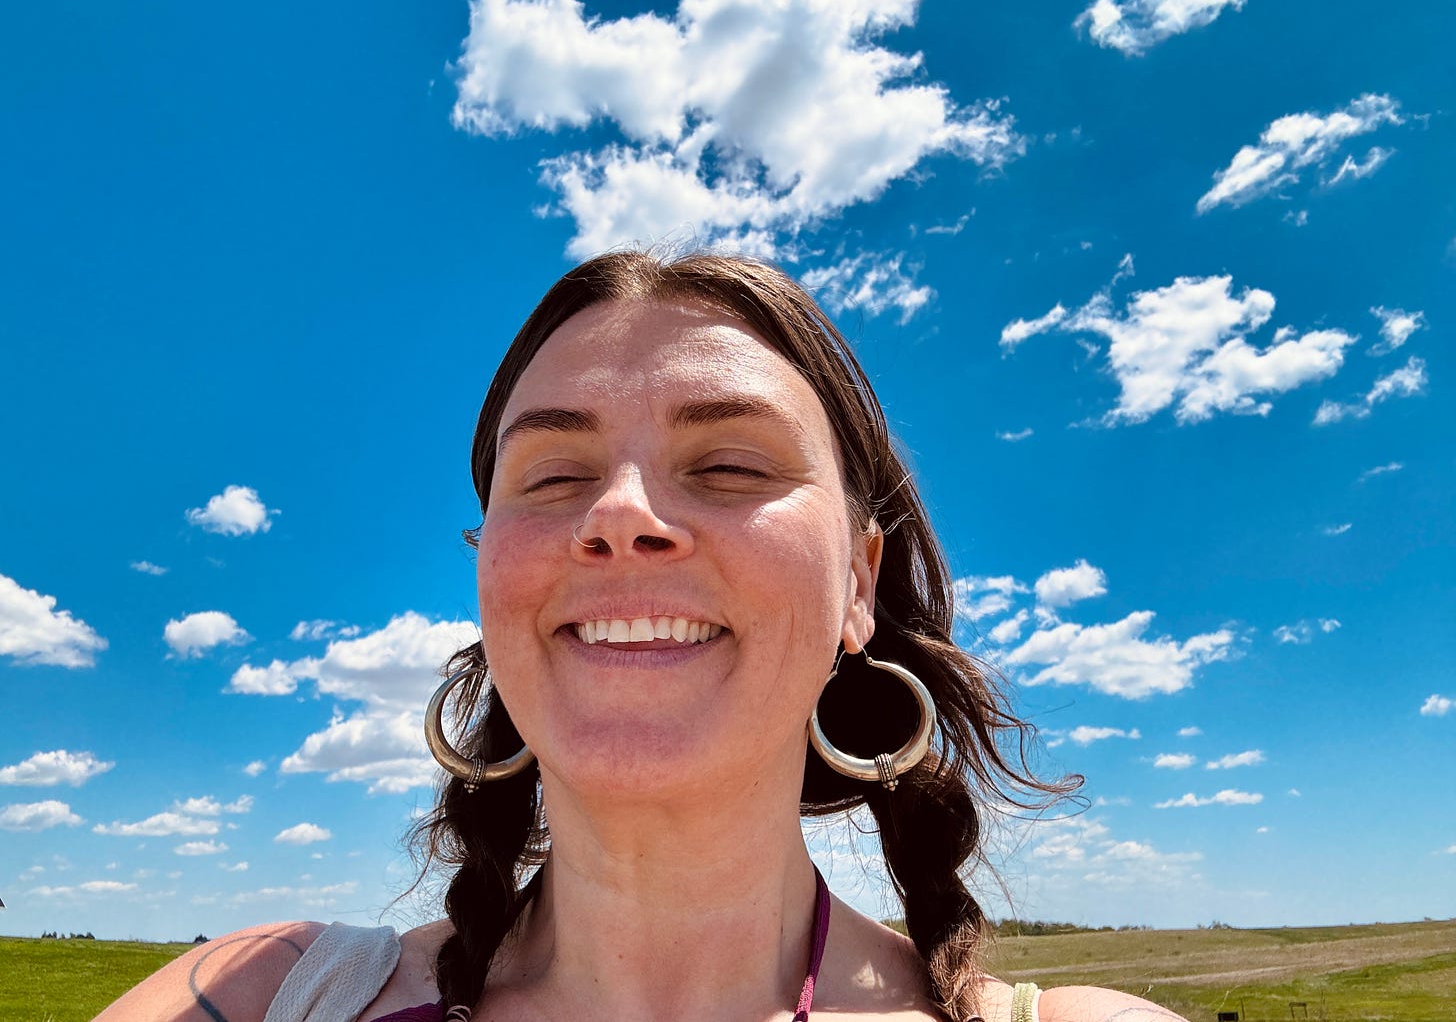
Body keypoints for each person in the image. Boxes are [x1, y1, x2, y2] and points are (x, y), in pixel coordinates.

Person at [99, 251, 1186, 1022]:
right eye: (555, 474)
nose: (618, 514)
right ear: (488, 571)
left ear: (858, 582)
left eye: (728, 465)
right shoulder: (263, 996)